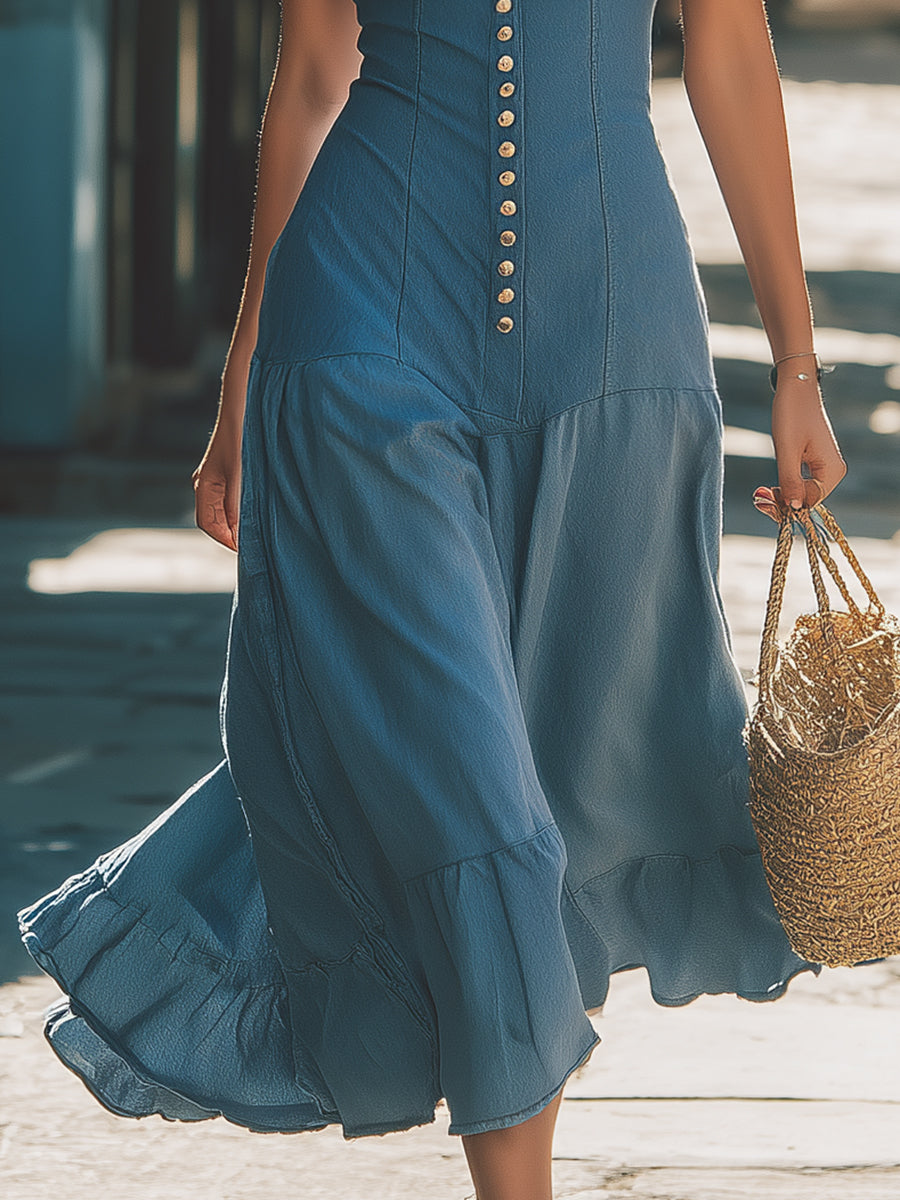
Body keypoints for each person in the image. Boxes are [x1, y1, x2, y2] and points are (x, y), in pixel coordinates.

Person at [18, 2, 847, 1198]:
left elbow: (726, 43)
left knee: (557, 786)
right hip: (362, 323)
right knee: (480, 813)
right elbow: (312, 70)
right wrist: (245, 372)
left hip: (610, 335)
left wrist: (798, 362)